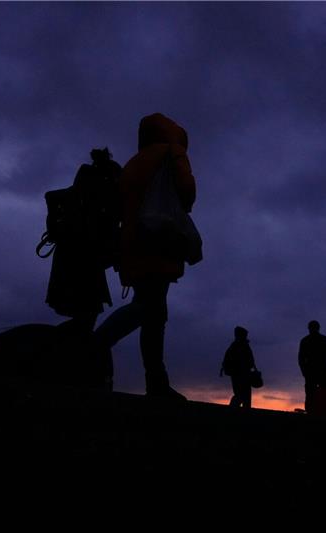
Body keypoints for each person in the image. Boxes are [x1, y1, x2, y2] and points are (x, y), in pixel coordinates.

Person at [92, 113, 196, 399]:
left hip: (132, 243)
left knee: (153, 312)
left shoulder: (133, 163)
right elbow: (188, 193)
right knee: (150, 308)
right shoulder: (171, 153)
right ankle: (94, 347)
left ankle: (157, 382)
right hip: (159, 241)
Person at [44, 148, 121, 382]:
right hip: (84, 264)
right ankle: (57, 357)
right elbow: (101, 233)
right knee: (87, 317)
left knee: (85, 317)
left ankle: (63, 362)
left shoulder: (80, 190)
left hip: (73, 261)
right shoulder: (98, 193)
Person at [298, 320, 326, 414]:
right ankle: (320, 413)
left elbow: (301, 359)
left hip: (312, 372)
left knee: (311, 394)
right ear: (318, 328)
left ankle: (312, 413)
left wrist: (304, 372)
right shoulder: (324, 339)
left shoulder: (305, 340)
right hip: (321, 371)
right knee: (321, 394)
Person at [221, 326, 257, 409]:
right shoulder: (242, 346)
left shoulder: (234, 346)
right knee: (243, 396)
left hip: (236, 374)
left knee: (240, 395)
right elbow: (250, 361)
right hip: (242, 374)